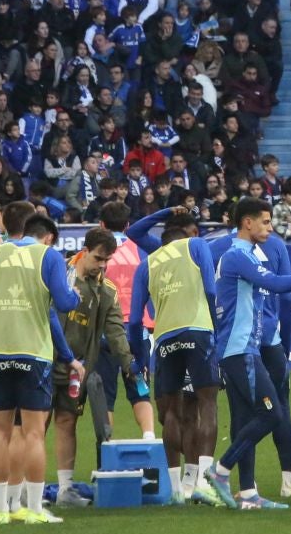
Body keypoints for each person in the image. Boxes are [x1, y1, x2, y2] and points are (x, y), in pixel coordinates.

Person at [202, 197, 291, 509]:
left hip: (241, 348)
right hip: (240, 350)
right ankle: (220, 471)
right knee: (271, 413)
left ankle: (249, 495)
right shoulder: (237, 256)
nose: (270, 228)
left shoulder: (245, 255)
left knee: (244, 418)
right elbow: (279, 284)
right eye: (266, 222)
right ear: (247, 223)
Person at [0, 201, 82, 524]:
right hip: (33, 353)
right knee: (32, 433)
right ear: (46, 237)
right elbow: (62, 301)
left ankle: (1, 510)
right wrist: (75, 294)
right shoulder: (48, 257)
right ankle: (33, 507)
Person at [129, 207, 226, 505]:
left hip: (166, 338)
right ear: (187, 234)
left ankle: (176, 490)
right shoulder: (197, 246)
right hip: (198, 330)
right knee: (206, 403)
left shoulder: (148, 262)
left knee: (171, 412)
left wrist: (140, 359)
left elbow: (134, 320)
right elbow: (210, 290)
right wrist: (214, 328)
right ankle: (205, 483)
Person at [53, 228, 129, 508]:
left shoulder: (106, 290)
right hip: (43, 361)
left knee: (66, 423)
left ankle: (64, 490)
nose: (102, 265)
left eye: (106, 261)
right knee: (33, 427)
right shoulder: (58, 273)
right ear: (84, 250)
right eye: (98, 258)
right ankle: (24, 489)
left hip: (76, 369)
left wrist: (128, 363)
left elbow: (116, 330)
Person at [94, 200, 157, 443]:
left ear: (102, 225)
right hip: (137, 330)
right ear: (128, 224)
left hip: (105, 332)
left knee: (106, 396)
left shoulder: (98, 253)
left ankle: (108, 450)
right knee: (140, 392)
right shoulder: (141, 248)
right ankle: (149, 438)